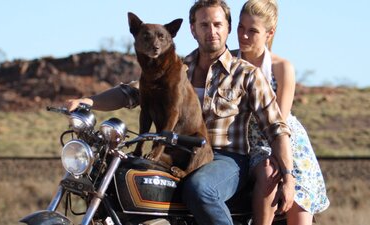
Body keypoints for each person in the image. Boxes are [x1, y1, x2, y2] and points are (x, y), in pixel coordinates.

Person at [66, 1, 295, 225]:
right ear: (192, 29)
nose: (212, 31)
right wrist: (88, 101)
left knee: (200, 189)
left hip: (226, 158)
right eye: (204, 25)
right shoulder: (179, 68)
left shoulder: (246, 74)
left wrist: (289, 176)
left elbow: (276, 128)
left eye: (218, 24)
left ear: (227, 28)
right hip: (175, 153)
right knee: (125, 178)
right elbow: (131, 92)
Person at [235, 0, 330, 224]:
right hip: (251, 144)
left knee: (298, 197)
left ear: (270, 33)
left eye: (252, 31)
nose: (244, 35)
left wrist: (285, 166)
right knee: (268, 174)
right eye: (241, 27)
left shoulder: (282, 67)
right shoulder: (228, 62)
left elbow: (279, 120)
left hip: (286, 140)